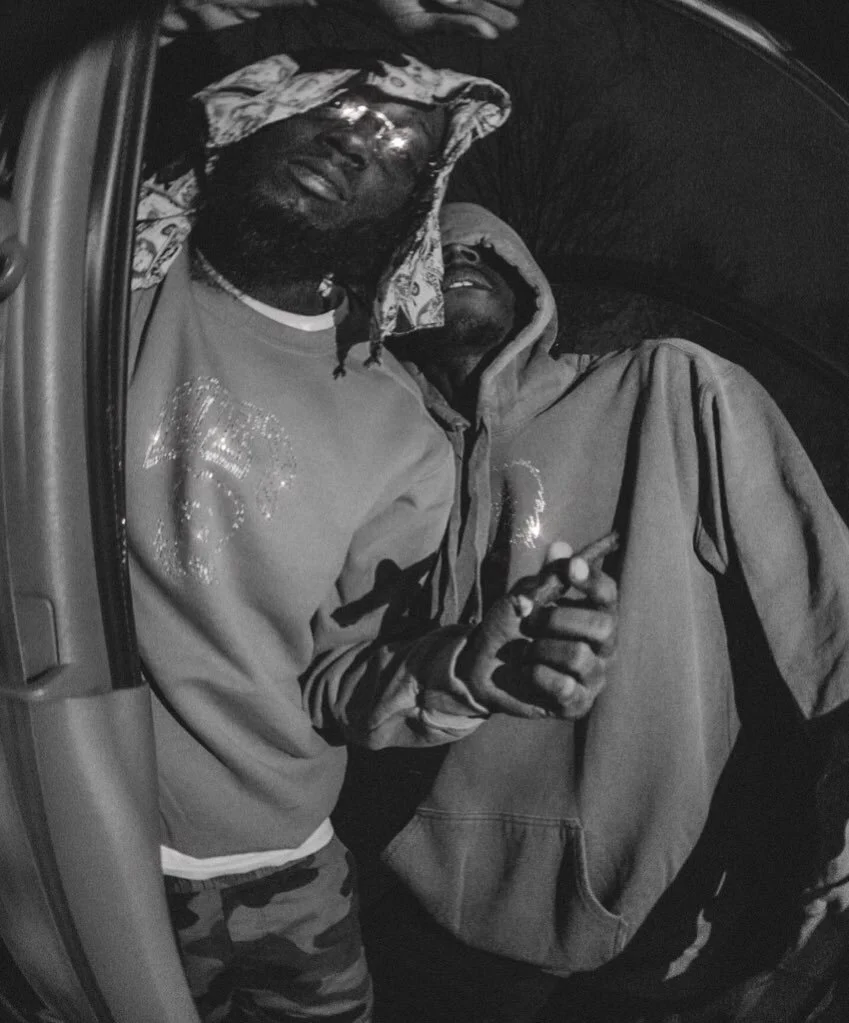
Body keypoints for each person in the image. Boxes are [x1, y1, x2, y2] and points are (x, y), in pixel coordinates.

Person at [126, 51, 618, 1022]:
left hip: (289, 866)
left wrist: (462, 671)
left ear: (414, 207)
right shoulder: (102, 288)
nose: (356, 141)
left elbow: (337, 679)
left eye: (398, 144)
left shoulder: (402, 436)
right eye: (339, 104)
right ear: (260, 108)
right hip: (85, 836)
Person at [338, 202, 849, 1023]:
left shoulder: (668, 388)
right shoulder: (373, 462)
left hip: (655, 938)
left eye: (482, 250)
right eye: (429, 252)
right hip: (427, 935)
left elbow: (830, 621)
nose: (455, 253)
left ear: (530, 286)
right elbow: (336, 685)